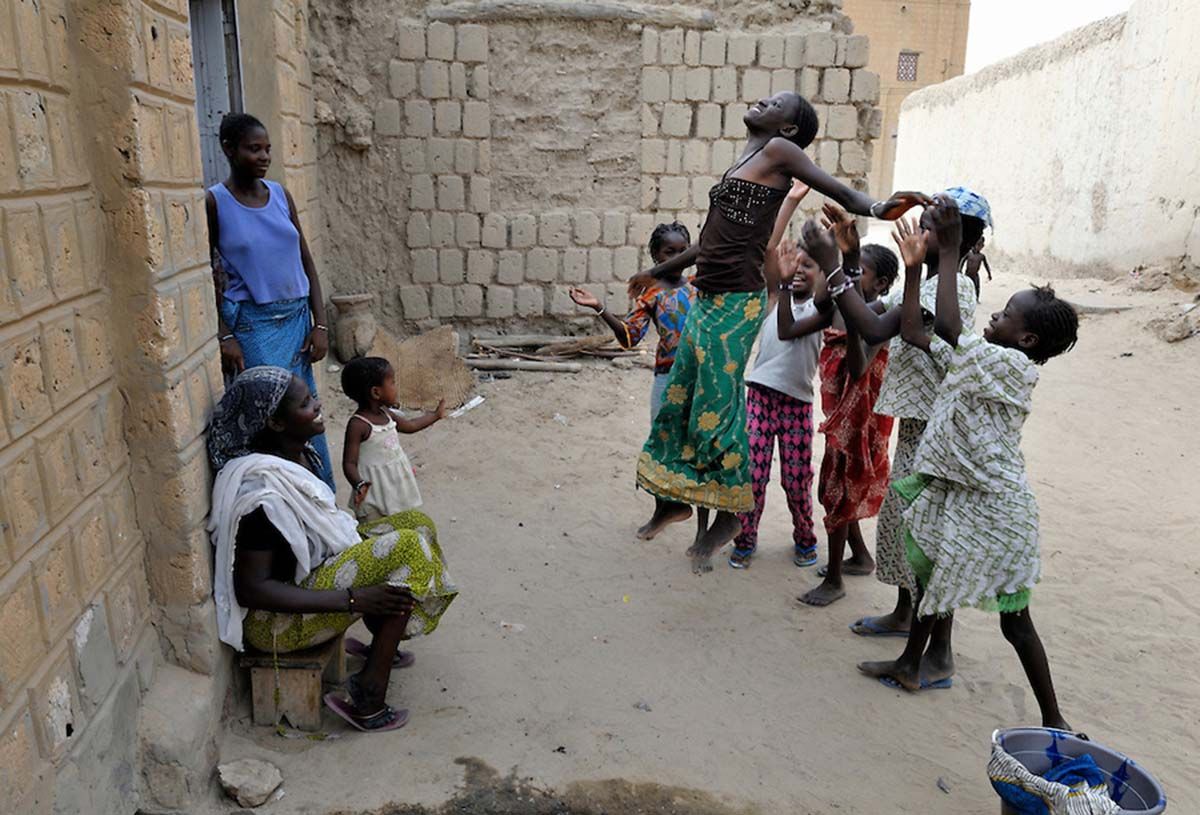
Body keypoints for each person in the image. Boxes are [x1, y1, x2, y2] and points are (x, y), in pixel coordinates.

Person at [628, 91, 927, 573]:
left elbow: (844, 194)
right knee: (679, 398)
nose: (763, 102)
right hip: (708, 296)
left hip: (738, 300)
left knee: (716, 408)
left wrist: (881, 206)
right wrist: (658, 272)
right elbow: (708, 242)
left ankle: (731, 512)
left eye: (775, 104)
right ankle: (673, 500)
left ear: (788, 129)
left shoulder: (779, 152)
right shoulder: (746, 159)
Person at [857, 197, 1078, 732]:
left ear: (1026, 339)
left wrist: (951, 250)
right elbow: (919, 334)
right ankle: (911, 663)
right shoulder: (984, 357)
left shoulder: (1010, 368)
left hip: (998, 511)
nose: (994, 316)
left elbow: (950, 329)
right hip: (963, 494)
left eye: (1005, 315)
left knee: (1015, 623)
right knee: (934, 574)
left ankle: (1055, 719)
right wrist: (915, 270)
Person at [207, 367, 458, 732]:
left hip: (308, 581)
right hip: (274, 626)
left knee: (417, 525)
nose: (317, 404)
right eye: (305, 403)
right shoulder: (262, 497)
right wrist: (354, 599)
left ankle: (382, 640)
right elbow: (252, 590)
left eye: (312, 397)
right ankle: (369, 697)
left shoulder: (297, 457)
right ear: (276, 423)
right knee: (407, 550)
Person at [829, 187, 990, 662]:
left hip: (937, 431)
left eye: (930, 228)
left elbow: (879, 328)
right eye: (920, 224)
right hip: (916, 425)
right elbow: (869, 315)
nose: (918, 232)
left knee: (926, 535)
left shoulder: (953, 288)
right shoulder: (920, 284)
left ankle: (938, 649)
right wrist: (849, 260)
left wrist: (840, 268)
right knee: (903, 525)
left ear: (957, 238)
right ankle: (905, 613)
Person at [206, 112, 335, 491]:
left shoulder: (280, 194)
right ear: (228, 150)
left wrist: (320, 324)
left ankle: (321, 497)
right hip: (255, 328)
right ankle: (282, 500)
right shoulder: (215, 203)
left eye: (267, 149)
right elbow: (206, 272)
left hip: (297, 322)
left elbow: (306, 261)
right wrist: (224, 333)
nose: (264, 157)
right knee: (275, 418)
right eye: (253, 149)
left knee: (307, 412)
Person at [782, 206, 899, 605]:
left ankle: (834, 580)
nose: (850, 280)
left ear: (881, 284)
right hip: (839, 415)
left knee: (837, 491)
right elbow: (813, 307)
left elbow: (859, 366)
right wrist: (837, 259)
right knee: (838, 490)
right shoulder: (838, 304)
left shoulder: (878, 315)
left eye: (859, 273)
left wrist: (842, 272)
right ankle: (860, 557)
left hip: (860, 418)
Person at [569, 223, 696, 540]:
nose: (677, 258)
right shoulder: (650, 294)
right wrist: (599, 307)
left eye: (683, 251)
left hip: (700, 376)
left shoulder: (700, 285)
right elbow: (629, 337)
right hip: (667, 378)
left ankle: (697, 521)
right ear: (655, 255)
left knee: (698, 445)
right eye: (669, 252)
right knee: (660, 445)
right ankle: (666, 508)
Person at [728, 182, 827, 569]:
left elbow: (833, 274)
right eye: (795, 263)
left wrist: (829, 249)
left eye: (808, 266)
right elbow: (770, 249)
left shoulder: (820, 308)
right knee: (752, 475)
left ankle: (805, 536)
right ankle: (745, 537)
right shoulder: (774, 295)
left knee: (796, 480)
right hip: (760, 397)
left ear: (822, 274)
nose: (798, 270)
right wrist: (790, 201)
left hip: (797, 405)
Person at [341, 356, 447, 522]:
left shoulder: (386, 413)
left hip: (395, 486)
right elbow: (349, 463)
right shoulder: (358, 425)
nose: (396, 388)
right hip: (373, 492)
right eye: (392, 383)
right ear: (376, 392)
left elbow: (410, 425)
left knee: (400, 525)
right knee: (374, 530)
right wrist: (359, 484)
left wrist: (435, 415)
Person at [961, 234, 992, 300]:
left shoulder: (981, 256)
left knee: (977, 287)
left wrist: (989, 274)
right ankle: (966, 298)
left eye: (981, 246)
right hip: (967, 274)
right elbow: (962, 262)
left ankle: (976, 298)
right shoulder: (969, 254)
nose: (979, 247)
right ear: (974, 245)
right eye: (978, 245)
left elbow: (986, 266)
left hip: (975, 275)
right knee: (966, 287)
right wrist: (959, 270)